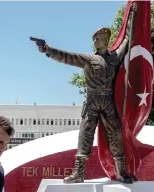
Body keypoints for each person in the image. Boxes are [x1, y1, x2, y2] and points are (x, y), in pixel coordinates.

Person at [33, 3, 138, 184]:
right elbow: (67, 56)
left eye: (98, 38)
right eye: (95, 39)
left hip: (108, 100)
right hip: (92, 101)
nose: (95, 41)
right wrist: (48, 50)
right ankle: (78, 173)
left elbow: (128, 38)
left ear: (105, 40)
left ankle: (121, 171)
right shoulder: (88, 59)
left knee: (116, 135)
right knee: (85, 135)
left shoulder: (114, 57)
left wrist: (132, 15)